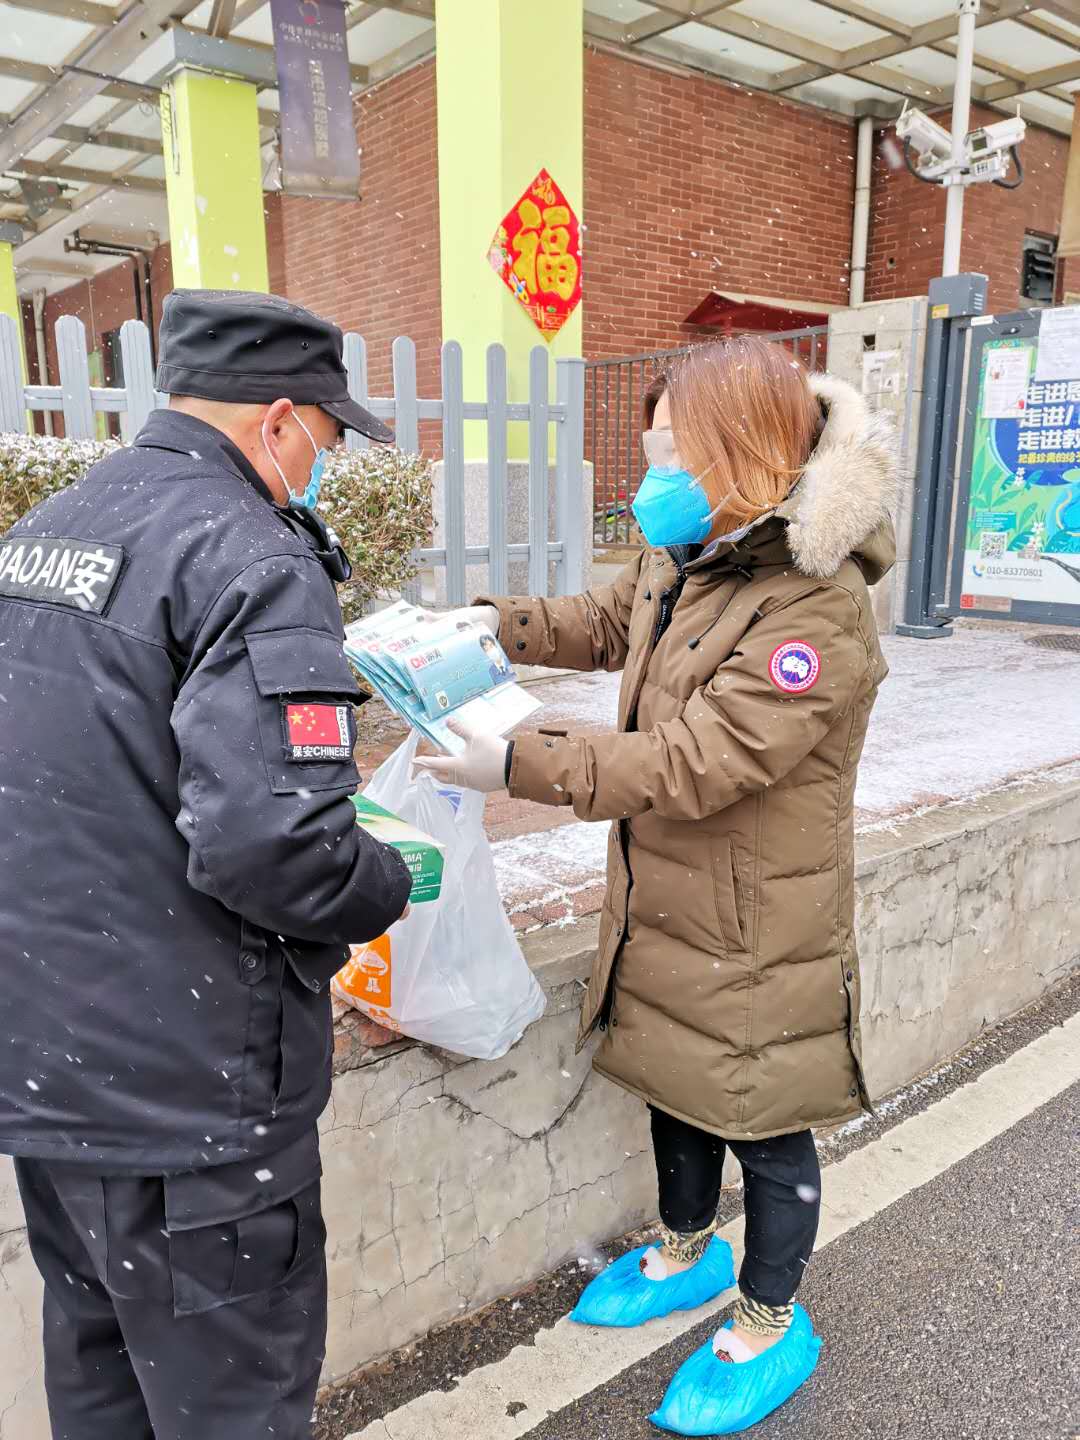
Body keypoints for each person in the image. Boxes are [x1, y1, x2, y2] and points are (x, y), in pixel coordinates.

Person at [416, 336, 896, 1434]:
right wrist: (498, 624)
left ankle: (774, 1314)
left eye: (671, 453)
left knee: (764, 1118)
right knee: (670, 1081)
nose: (652, 479)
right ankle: (686, 1244)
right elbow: (606, 620)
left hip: (755, 917)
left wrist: (521, 761)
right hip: (666, 891)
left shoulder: (813, 610)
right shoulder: (693, 555)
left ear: (741, 454)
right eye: (648, 453)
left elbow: (698, 760)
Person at [0, 289, 414, 1440]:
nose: (322, 467)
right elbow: (276, 843)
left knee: (101, 1388)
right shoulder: (248, 554)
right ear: (279, 421)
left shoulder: (48, 530)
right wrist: (385, 882)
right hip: (193, 1108)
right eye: (326, 443)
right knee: (230, 1407)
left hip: (51, 1071)